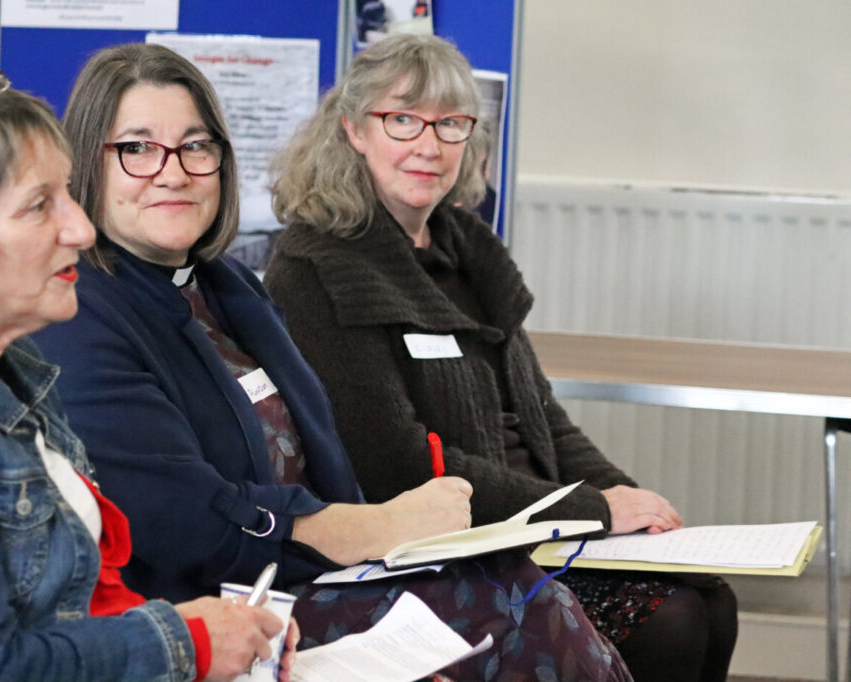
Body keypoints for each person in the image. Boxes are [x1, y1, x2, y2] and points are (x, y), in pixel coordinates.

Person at [32, 42, 632, 682]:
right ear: (87, 166)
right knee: (516, 615)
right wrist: (372, 529)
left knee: (521, 588)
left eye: (195, 147)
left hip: (320, 577)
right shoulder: (76, 311)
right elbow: (181, 519)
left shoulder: (231, 289)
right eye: (138, 148)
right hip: (211, 610)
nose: (173, 172)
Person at [264, 34, 739, 682]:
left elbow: (542, 420)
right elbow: (395, 467)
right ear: (352, 129)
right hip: (442, 554)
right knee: (673, 619)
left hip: (531, 532)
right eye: (402, 119)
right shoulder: (316, 264)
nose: (429, 145)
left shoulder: (467, 249)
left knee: (710, 598)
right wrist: (595, 511)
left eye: (451, 124)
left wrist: (622, 496)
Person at [0, 71, 293, 681]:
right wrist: (188, 642)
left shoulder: (6, 362)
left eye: (69, 194)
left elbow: (68, 609)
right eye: (39, 205)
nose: (79, 228)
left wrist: (217, 628)